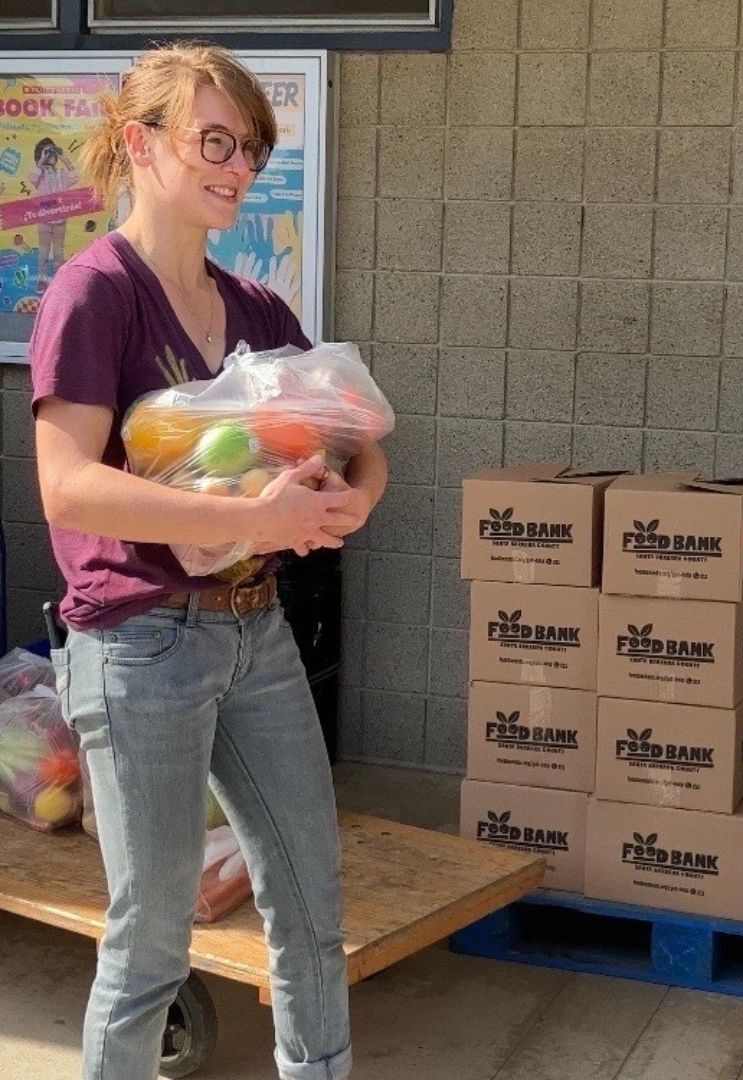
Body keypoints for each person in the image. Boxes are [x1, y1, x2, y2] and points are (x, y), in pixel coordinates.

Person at [29, 42, 387, 1080]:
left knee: (312, 904)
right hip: (137, 644)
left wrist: (340, 508)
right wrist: (263, 520)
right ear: (141, 145)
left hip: (255, 631)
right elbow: (64, 483)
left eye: (253, 148)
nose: (238, 166)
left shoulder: (259, 313)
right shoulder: (95, 296)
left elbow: (362, 445)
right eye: (216, 141)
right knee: (150, 940)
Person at [28, 136, 77, 290]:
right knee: (43, 251)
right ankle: (41, 279)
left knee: (58, 252)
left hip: (60, 219)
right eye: (47, 153)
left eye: (52, 152)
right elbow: (32, 177)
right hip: (44, 219)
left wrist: (65, 159)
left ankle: (57, 280)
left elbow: (74, 178)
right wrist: (41, 160)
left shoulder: (62, 174)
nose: (51, 155)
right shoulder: (40, 174)